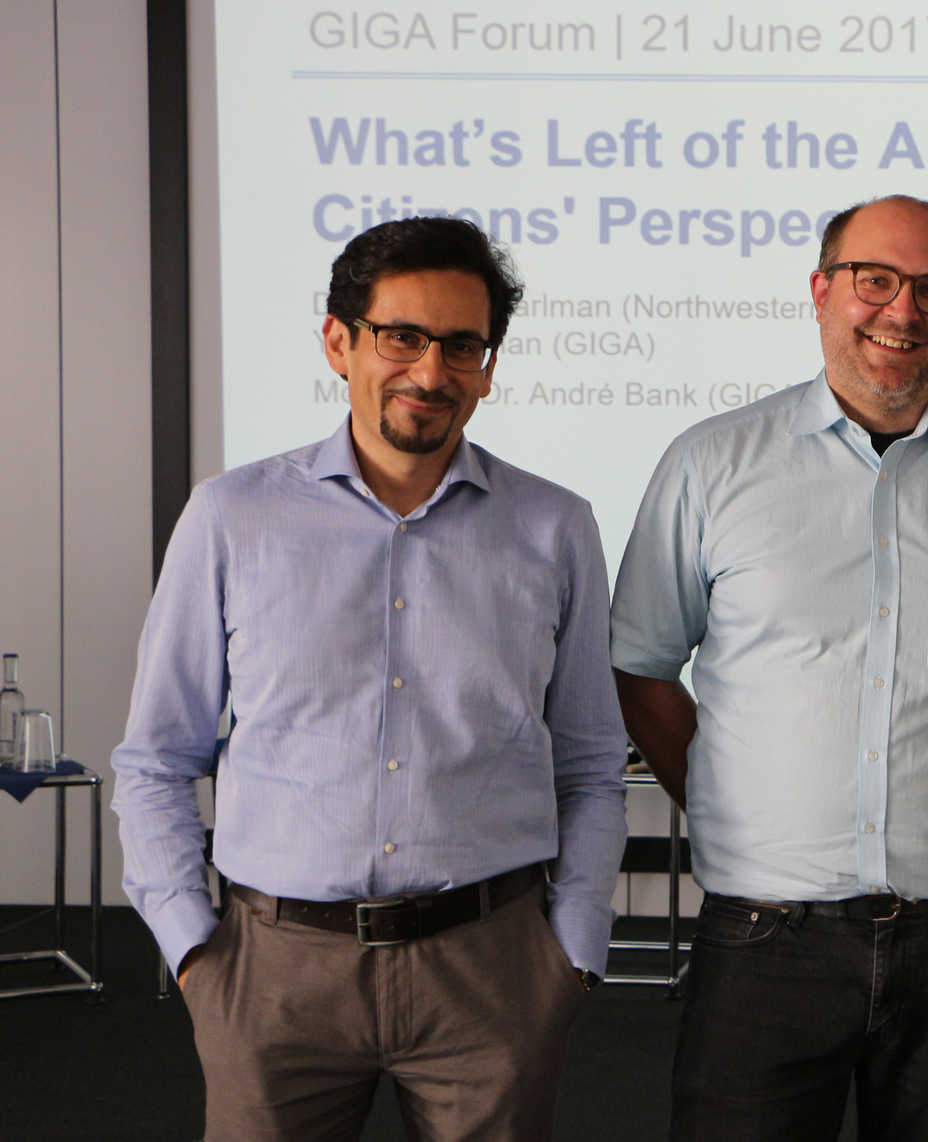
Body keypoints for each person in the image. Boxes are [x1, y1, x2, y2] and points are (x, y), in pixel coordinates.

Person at [112, 217, 628, 1141]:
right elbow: (156, 758)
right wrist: (196, 953)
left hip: (493, 970)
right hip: (273, 972)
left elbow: (590, 762)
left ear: (488, 362)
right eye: (403, 337)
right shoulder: (232, 518)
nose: (431, 373)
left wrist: (572, 951)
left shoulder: (556, 527)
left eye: (462, 346)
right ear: (338, 341)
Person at [611, 193, 928, 1140]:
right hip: (766, 935)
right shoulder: (710, 466)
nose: (902, 310)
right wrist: (719, 797)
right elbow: (640, 666)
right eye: (873, 280)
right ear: (820, 291)